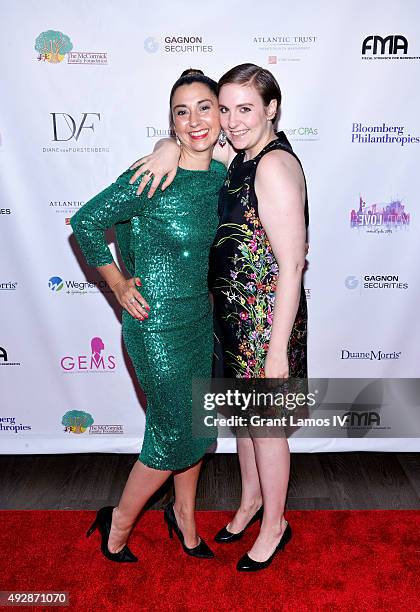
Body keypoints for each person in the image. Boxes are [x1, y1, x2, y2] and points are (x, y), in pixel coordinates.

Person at [129, 63, 309, 572]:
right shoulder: (245, 156)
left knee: (267, 429)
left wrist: (276, 350)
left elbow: (292, 264)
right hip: (234, 319)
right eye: (225, 109)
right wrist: (168, 145)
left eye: (244, 109)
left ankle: (275, 524)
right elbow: (194, 148)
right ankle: (250, 502)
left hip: (265, 322)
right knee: (248, 425)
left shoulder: (273, 166)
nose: (230, 121)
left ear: (272, 109)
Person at [71, 70, 226, 563]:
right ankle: (115, 521)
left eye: (205, 107)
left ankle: (184, 518)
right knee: (173, 431)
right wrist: (116, 283)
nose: (194, 120)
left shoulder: (223, 174)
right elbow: (86, 221)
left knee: (197, 428)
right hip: (154, 323)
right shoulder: (154, 174)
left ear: (220, 115)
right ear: (172, 122)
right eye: (181, 112)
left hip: (200, 322)